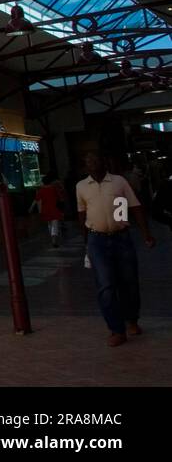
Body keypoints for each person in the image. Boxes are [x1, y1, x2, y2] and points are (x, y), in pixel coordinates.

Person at [76, 148, 157, 346]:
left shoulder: (119, 182)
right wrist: (86, 242)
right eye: (88, 161)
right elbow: (82, 213)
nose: (92, 164)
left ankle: (131, 320)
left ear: (104, 162)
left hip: (121, 238)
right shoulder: (81, 187)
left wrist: (145, 233)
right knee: (105, 285)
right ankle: (116, 329)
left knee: (128, 281)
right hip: (97, 240)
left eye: (95, 160)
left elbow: (132, 207)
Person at [32, 172, 67, 247]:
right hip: (54, 209)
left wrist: (32, 208)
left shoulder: (40, 190)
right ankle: (54, 240)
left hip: (45, 210)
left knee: (50, 224)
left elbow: (36, 200)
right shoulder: (53, 189)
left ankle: (52, 238)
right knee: (55, 224)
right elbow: (59, 197)